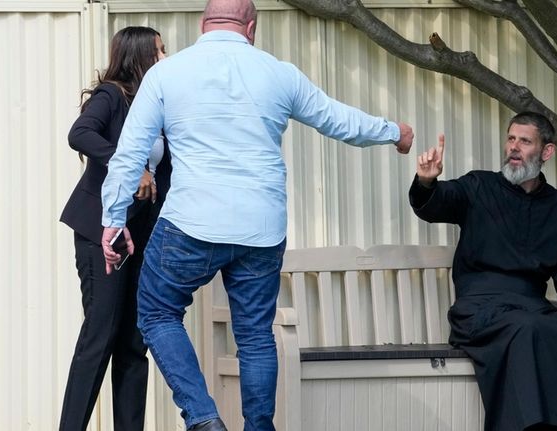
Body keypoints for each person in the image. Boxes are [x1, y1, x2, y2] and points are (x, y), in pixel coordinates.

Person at [98, 1, 414, 430]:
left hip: (192, 222)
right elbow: (337, 120)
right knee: (254, 336)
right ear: (251, 27)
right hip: (260, 229)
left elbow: (129, 153)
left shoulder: (166, 74)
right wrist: (394, 131)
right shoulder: (278, 73)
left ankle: (204, 419)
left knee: (155, 311)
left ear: (203, 25)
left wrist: (114, 221)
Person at [410, 112, 557, 430]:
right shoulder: (478, 187)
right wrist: (427, 181)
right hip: (480, 309)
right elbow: (437, 202)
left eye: (525, 141)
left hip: (531, 308)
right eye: (510, 138)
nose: (514, 147)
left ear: (546, 152)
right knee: (528, 330)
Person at [58, 26, 171, 431]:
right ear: (139, 56)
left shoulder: (158, 104)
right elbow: (80, 134)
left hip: (142, 236)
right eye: (159, 51)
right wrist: (130, 165)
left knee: (132, 344)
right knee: (99, 335)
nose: (165, 57)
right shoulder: (112, 95)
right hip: (98, 231)